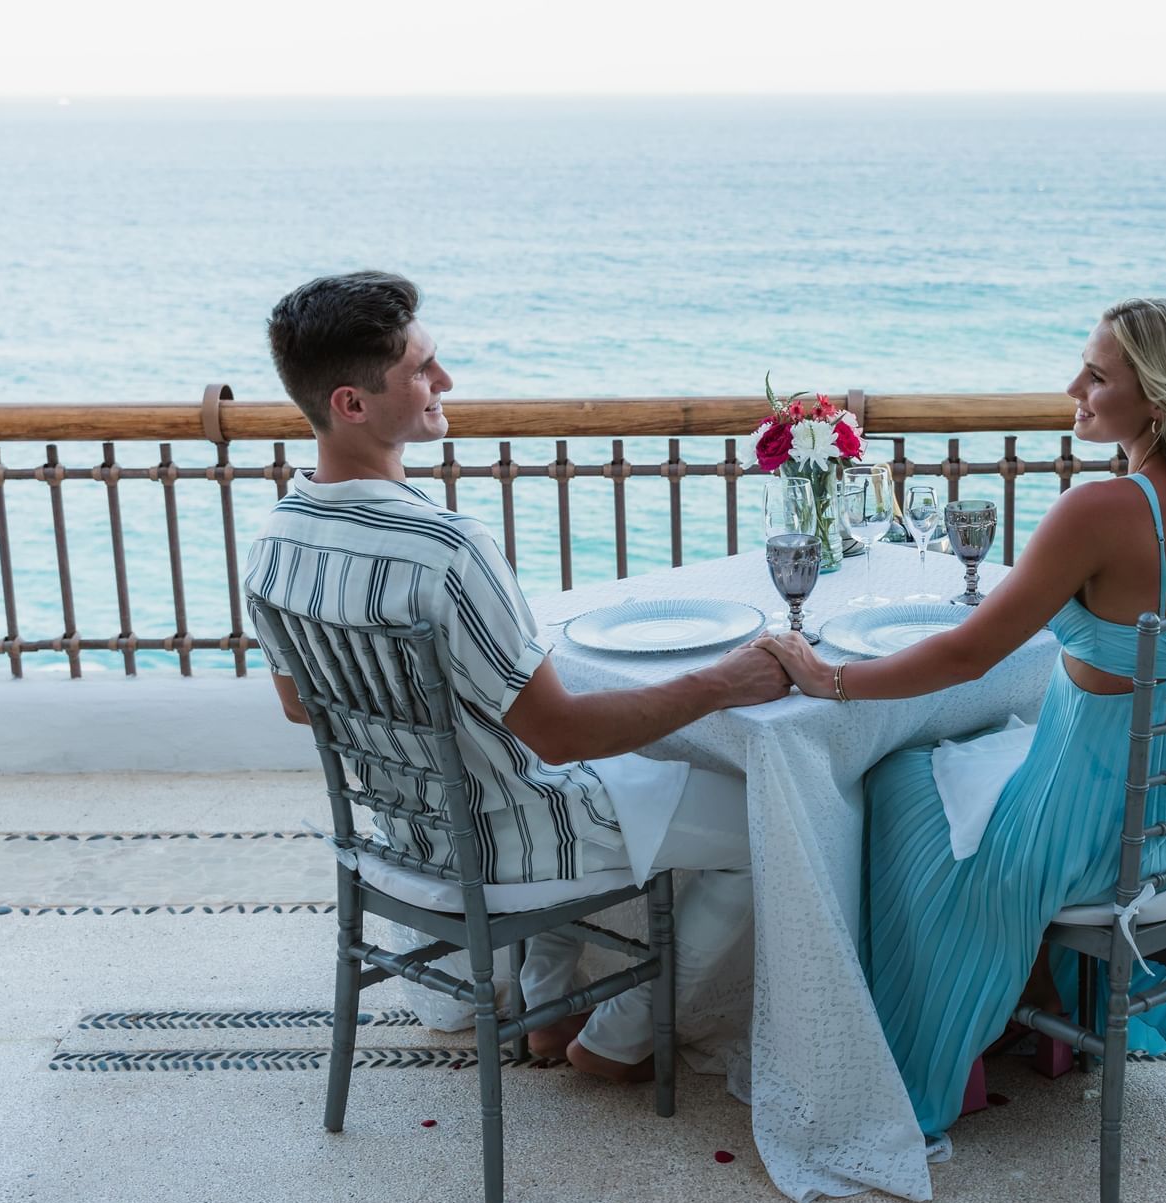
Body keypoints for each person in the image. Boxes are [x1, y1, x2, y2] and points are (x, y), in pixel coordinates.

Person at [755, 297, 1166, 1138]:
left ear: (1158, 398)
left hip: (1092, 830)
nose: (1074, 386)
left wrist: (835, 681)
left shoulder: (1101, 512)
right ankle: (1035, 996)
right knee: (981, 753)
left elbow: (969, 654)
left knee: (899, 780)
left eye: (1097, 374)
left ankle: (949, 1034)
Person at [245, 270, 788, 1082]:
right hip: (510, 844)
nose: (445, 382)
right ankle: (621, 1036)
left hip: (404, 833)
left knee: (588, 766)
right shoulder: (446, 548)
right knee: (770, 824)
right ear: (353, 403)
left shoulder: (276, 542)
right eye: (421, 370)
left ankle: (549, 1009)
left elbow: (299, 706)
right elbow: (562, 736)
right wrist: (725, 682)